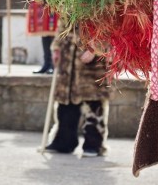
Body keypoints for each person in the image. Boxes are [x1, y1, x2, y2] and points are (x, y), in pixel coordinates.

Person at [44, 20, 110, 157]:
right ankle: (63, 141)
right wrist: (56, 48)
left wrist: (95, 48)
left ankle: (94, 144)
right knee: (66, 100)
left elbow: (110, 26)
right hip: (68, 59)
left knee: (93, 102)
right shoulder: (68, 2)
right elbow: (62, 24)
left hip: (92, 62)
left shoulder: (103, 2)